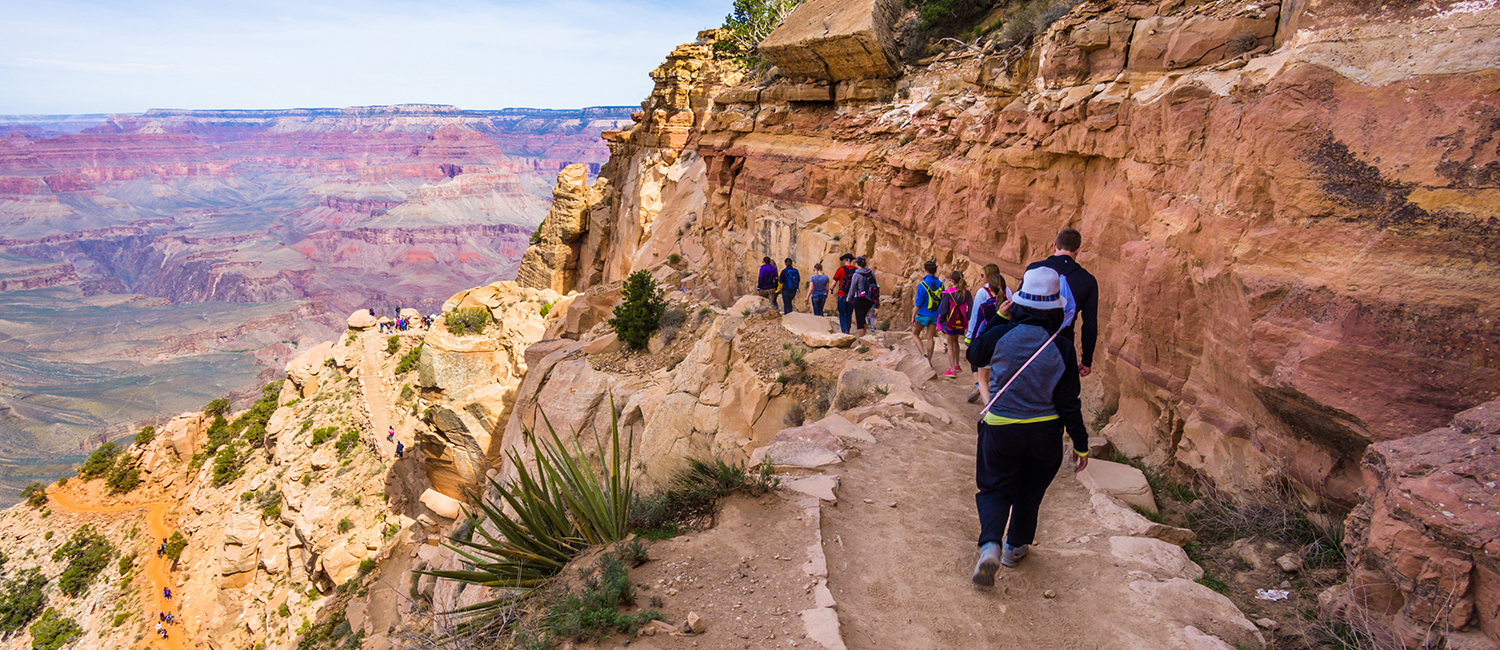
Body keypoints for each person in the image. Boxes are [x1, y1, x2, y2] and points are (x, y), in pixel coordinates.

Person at [970, 267, 1089, 586]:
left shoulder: (1001, 334)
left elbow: (975, 353)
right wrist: (1080, 443)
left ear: (1019, 302)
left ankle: (991, 544)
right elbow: (1068, 401)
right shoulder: (1063, 346)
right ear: (1054, 309)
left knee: (995, 487)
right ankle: (1014, 547)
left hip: (1001, 428)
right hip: (1044, 433)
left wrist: (998, 318)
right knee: (1030, 492)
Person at [1026, 227, 1099, 377]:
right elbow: (1089, 324)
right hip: (1062, 345)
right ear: (1078, 250)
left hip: (1029, 342)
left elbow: (1019, 307)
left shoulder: (1033, 270)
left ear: (1054, 246)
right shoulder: (1087, 280)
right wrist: (1086, 360)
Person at [965, 265, 1008, 403]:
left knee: (983, 379)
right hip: (1006, 343)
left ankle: (989, 409)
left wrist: (972, 339)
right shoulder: (1011, 304)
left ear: (990, 288)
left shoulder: (985, 305)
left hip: (988, 343)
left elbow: (977, 323)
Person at [937, 271, 972, 377]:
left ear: (952, 280)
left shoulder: (948, 293)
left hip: (950, 322)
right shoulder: (967, 293)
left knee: (950, 344)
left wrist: (941, 321)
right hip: (960, 322)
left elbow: (943, 310)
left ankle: (952, 370)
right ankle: (957, 365)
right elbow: (971, 308)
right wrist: (966, 318)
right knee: (956, 341)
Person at [911, 260, 943, 362]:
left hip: (923, 314)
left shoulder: (922, 285)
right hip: (935, 315)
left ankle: (923, 354)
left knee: (915, 334)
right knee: (930, 338)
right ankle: (929, 360)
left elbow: (918, 302)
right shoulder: (941, 285)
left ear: (925, 270)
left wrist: (913, 315)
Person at [848, 256, 878, 337]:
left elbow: (852, 288)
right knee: (864, 316)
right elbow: (875, 284)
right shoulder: (871, 272)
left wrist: (848, 298)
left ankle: (861, 341)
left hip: (859, 299)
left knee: (860, 321)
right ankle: (865, 338)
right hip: (870, 299)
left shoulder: (856, 274)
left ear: (857, 264)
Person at [832, 253, 856, 333]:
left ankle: (844, 330)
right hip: (852, 295)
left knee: (842, 314)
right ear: (851, 260)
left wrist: (831, 289)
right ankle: (848, 329)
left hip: (842, 294)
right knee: (849, 313)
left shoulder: (840, 269)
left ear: (844, 260)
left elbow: (834, 282)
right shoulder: (855, 270)